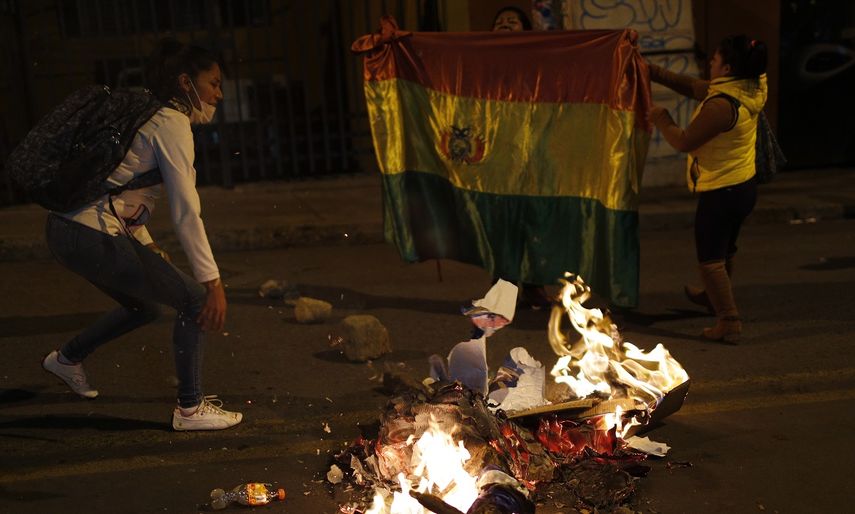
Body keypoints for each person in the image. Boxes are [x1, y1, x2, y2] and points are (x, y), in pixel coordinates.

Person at [41, 39, 242, 430]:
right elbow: (187, 212)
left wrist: (148, 245)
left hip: (64, 230)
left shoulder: (152, 117)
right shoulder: (172, 124)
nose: (219, 92)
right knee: (194, 299)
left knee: (145, 305)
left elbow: (121, 192)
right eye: (213, 83)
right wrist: (213, 281)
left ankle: (66, 359)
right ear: (186, 82)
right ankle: (189, 408)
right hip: (87, 235)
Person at [648, 35, 768, 342]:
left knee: (710, 258)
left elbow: (684, 141)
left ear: (726, 68)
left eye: (713, 61)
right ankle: (712, 297)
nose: (708, 64)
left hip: (722, 191)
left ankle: (728, 321)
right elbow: (693, 87)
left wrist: (662, 119)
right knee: (726, 248)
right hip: (742, 185)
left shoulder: (720, 107)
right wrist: (652, 71)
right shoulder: (749, 87)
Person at [489, 6, 552, 310]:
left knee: (533, 221)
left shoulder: (537, 61)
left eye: (512, 22)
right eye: (499, 22)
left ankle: (534, 285)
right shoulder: (481, 61)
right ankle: (503, 289)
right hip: (497, 153)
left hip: (533, 151)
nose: (504, 25)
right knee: (504, 223)